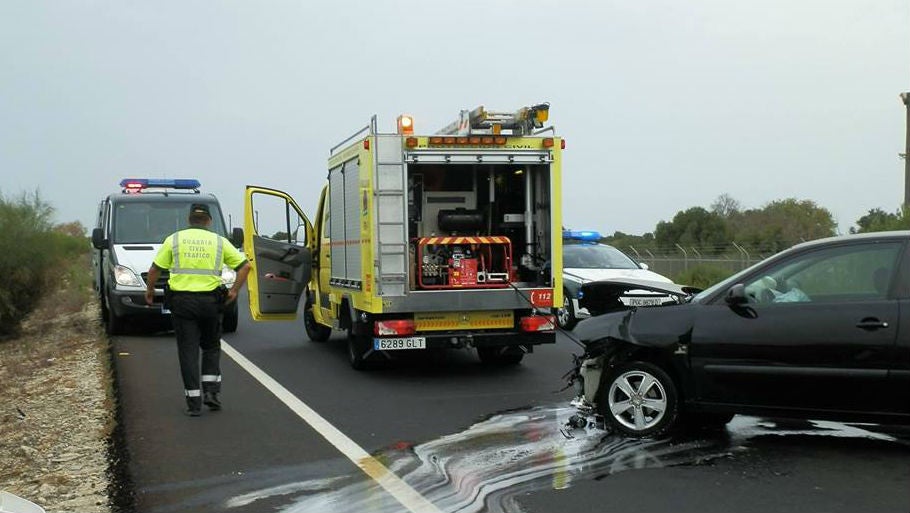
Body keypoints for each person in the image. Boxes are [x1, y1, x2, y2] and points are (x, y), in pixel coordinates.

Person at [144, 203, 250, 416]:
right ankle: (212, 393)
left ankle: (194, 404)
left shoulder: (174, 240)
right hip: (211, 303)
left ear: (189, 220)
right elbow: (245, 266)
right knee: (211, 347)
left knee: (188, 351)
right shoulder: (219, 241)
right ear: (209, 221)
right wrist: (234, 291)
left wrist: (150, 291)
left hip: (182, 303)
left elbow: (155, 269)